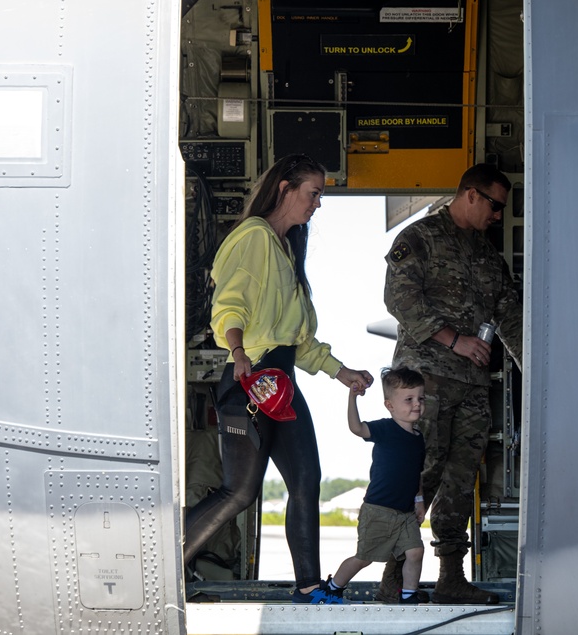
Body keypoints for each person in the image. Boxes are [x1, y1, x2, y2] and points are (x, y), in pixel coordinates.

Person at [184, 153, 374, 605]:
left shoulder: (288, 250)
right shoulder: (253, 238)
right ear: (286, 188)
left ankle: (309, 586)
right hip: (251, 379)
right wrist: (237, 351)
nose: (318, 204)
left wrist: (341, 372)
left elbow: (300, 341)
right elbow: (229, 306)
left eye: (321, 196)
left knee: (307, 478)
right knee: (241, 491)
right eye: (314, 193)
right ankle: (168, 563)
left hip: (282, 384)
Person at [382, 163, 523, 605]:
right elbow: (399, 297)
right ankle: (392, 574)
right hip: (427, 381)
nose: (498, 216)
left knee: (461, 481)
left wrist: (542, 371)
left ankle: (450, 577)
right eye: (495, 205)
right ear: (471, 195)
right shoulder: (419, 238)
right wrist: (455, 340)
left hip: (472, 389)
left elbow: (511, 319)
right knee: (420, 474)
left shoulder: (487, 258)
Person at [326, 367, 427, 604]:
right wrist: (352, 397)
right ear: (390, 405)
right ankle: (331, 588)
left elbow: (416, 472)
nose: (416, 404)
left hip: (405, 514)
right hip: (379, 511)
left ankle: (409, 595)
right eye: (409, 399)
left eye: (420, 398)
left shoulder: (418, 438)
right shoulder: (384, 429)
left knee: (415, 552)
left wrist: (419, 500)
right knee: (364, 558)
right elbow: (356, 427)